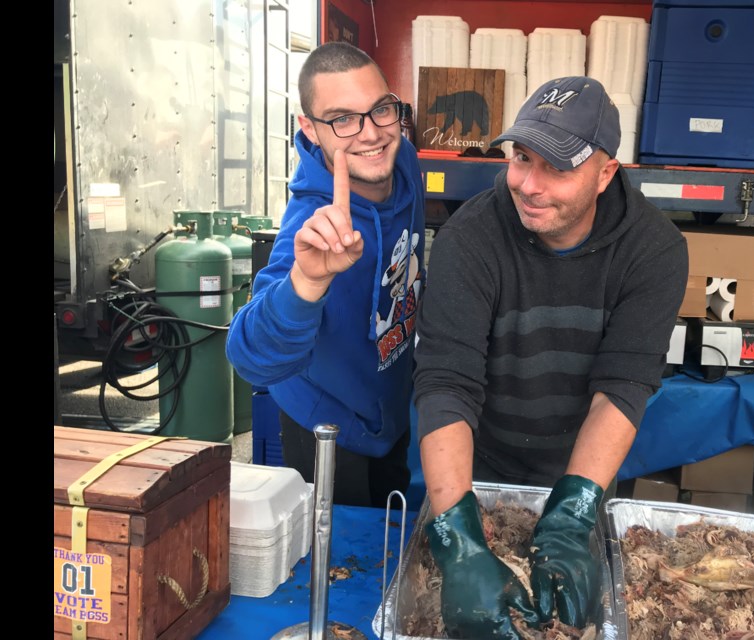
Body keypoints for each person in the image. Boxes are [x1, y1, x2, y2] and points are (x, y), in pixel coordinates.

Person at [412, 76, 689, 638]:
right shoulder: (471, 237)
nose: (528, 185)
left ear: (606, 172)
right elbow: (446, 380)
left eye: (556, 168)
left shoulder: (654, 250)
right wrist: (460, 540)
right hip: (475, 471)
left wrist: (570, 517)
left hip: (580, 475)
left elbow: (624, 385)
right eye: (520, 158)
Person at [226, 42, 425, 508]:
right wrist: (308, 283)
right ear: (310, 129)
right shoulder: (312, 222)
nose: (370, 134)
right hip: (329, 430)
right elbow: (249, 357)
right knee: (343, 562)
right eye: (342, 119)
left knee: (393, 538)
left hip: (390, 405)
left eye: (380, 110)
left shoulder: (404, 160)